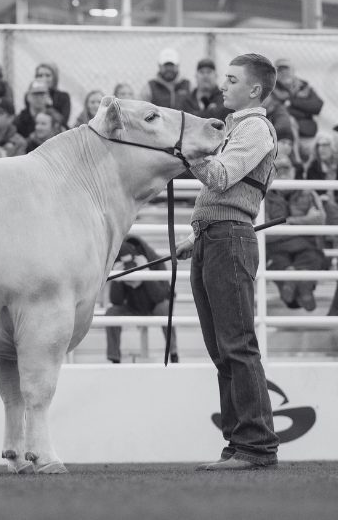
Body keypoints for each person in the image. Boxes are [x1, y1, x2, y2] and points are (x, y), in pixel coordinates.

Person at [176, 53, 279, 471]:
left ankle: (255, 446)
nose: (223, 85)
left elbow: (219, 177)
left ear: (254, 89)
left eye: (232, 80)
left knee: (236, 346)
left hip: (228, 241)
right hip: (214, 239)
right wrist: (195, 235)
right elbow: (222, 192)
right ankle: (240, 444)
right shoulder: (238, 128)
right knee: (225, 349)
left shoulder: (255, 128)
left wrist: (189, 151)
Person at [265, 153, 325, 312]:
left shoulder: (307, 192)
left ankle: (292, 277)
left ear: (293, 171)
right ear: (271, 173)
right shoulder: (263, 196)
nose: (283, 174)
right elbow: (265, 231)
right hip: (276, 247)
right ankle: (301, 281)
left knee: (312, 257)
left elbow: (319, 220)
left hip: (304, 246)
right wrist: (304, 221)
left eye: (287, 170)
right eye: (279, 170)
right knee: (276, 262)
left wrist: (288, 222)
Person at [106, 237, 178, 364]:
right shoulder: (121, 263)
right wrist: (118, 278)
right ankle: (114, 358)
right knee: (112, 312)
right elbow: (116, 301)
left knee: (166, 307)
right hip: (132, 307)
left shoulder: (156, 261)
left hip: (155, 306)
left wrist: (145, 274)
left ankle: (173, 354)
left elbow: (161, 296)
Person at [272, 58, 323, 158]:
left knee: (323, 146)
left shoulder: (304, 86)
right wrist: (304, 111)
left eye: (286, 69)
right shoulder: (272, 88)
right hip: (284, 137)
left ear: (293, 70)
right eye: (280, 70)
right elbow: (278, 110)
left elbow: (317, 106)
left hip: (307, 134)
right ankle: (297, 162)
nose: (283, 73)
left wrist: (291, 102)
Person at [33, 63, 71, 128]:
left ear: (54, 78)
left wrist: (48, 105)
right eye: (40, 75)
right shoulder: (31, 95)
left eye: (47, 75)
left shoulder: (63, 97)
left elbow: (63, 121)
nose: (43, 79)